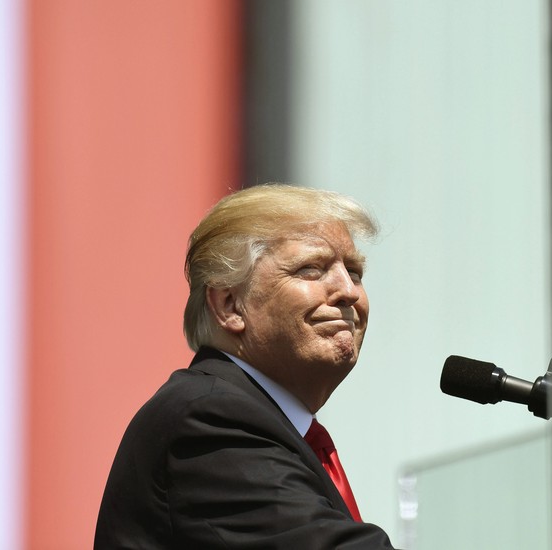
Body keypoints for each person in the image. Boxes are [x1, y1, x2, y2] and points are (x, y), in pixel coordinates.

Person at [94, 184, 397, 549]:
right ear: (229, 305)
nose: (348, 290)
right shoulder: (210, 420)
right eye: (311, 270)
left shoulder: (263, 422)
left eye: (355, 272)